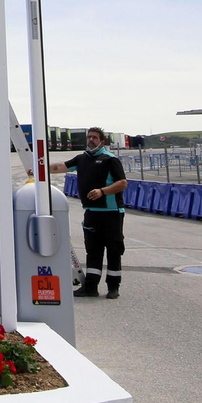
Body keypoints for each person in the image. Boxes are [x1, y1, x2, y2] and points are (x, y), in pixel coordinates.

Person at [49, 127, 128, 298]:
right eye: (89, 137)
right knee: (93, 250)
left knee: (114, 249)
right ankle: (91, 287)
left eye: (95, 137)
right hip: (91, 212)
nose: (91, 140)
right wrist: (39, 169)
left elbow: (122, 183)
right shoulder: (81, 159)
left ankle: (113, 287)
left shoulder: (110, 160)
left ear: (102, 142)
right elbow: (61, 166)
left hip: (111, 212)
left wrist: (102, 191)